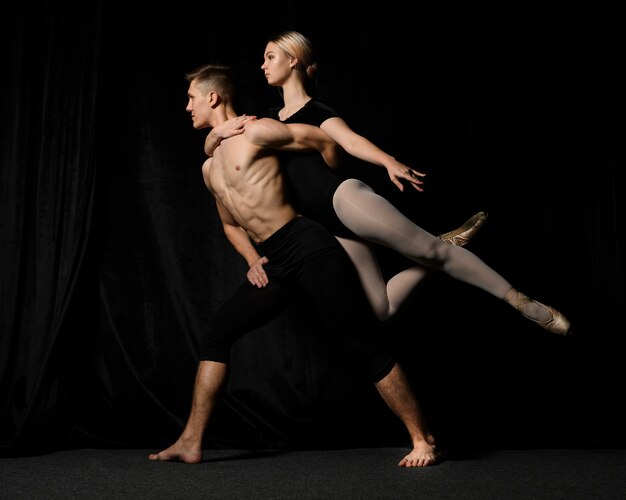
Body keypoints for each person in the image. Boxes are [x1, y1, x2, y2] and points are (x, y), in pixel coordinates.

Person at [149, 64, 439, 467]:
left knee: (357, 342)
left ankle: (422, 439)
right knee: (217, 332)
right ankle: (191, 441)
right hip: (274, 260)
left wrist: (326, 191)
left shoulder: (258, 130)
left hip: (307, 245)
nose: (187, 107)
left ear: (213, 97)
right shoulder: (208, 166)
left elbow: (324, 142)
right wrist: (252, 259)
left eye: (191, 98)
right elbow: (230, 224)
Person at [206, 31, 571, 334]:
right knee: (381, 309)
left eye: (270, 57)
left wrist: (387, 162)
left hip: (342, 200)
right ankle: (444, 242)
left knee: (430, 252)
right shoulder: (265, 120)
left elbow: (348, 141)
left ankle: (519, 300)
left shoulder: (316, 112)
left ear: (294, 60)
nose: (262, 65)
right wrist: (216, 132)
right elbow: (220, 145)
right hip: (328, 227)